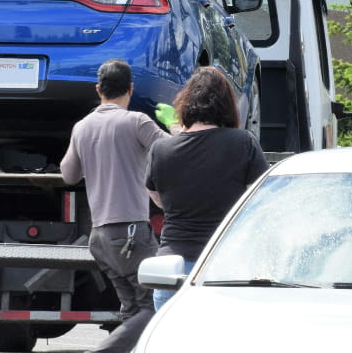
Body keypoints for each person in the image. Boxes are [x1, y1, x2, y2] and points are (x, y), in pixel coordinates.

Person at [60, 59, 170, 353]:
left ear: (99, 90)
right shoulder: (136, 122)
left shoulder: (82, 127)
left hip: (100, 238)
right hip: (132, 234)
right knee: (156, 304)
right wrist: (174, 124)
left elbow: (68, 175)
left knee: (132, 309)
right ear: (131, 89)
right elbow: (173, 153)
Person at [146, 66, 268, 310]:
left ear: (185, 104)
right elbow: (261, 197)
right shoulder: (242, 142)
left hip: (172, 270)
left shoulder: (161, 150)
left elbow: (157, 197)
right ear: (226, 105)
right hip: (224, 267)